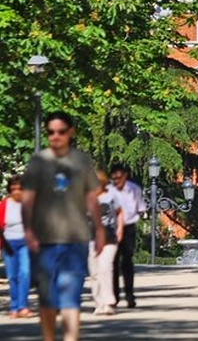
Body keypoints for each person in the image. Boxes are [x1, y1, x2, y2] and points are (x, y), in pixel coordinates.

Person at [21, 111, 105, 341]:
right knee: (47, 298)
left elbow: (91, 198)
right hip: (44, 239)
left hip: (75, 238)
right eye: (50, 132)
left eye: (60, 131)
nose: (55, 136)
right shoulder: (38, 162)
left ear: (70, 132)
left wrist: (99, 230)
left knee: (71, 297)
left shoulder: (81, 161)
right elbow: (27, 199)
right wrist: (27, 230)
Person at [109, 164, 145, 308]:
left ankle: (130, 295)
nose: (117, 180)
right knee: (113, 263)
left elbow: (140, 207)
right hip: (112, 228)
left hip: (129, 227)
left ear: (125, 175)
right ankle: (114, 296)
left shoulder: (134, 189)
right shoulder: (109, 191)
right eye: (114, 177)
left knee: (127, 261)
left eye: (119, 177)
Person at [88, 169, 124, 315]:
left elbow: (120, 212)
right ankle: (99, 303)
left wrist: (120, 229)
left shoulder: (111, 195)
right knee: (94, 272)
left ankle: (108, 303)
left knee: (105, 267)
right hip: (91, 238)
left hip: (109, 237)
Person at [1, 175, 32, 318]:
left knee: (25, 273)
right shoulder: (4, 204)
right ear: (10, 188)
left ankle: (23, 306)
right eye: (14, 187)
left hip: (24, 242)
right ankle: (14, 307)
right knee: (12, 276)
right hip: (8, 243)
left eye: (20, 187)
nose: (17, 190)